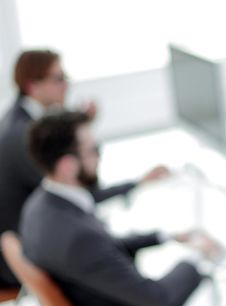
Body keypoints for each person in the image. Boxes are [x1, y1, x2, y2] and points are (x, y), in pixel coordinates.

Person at [20, 111, 203, 306]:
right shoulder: (78, 239)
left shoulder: (39, 207)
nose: (99, 157)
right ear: (67, 165)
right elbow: (159, 299)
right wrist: (198, 260)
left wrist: (165, 236)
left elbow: (103, 249)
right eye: (94, 149)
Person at [0, 49, 168, 288]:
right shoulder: (21, 136)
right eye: (58, 79)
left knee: (112, 241)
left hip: (30, 237)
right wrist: (138, 183)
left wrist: (78, 124)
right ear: (32, 86)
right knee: (110, 249)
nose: (67, 85)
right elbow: (75, 190)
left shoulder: (20, 120)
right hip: (27, 254)